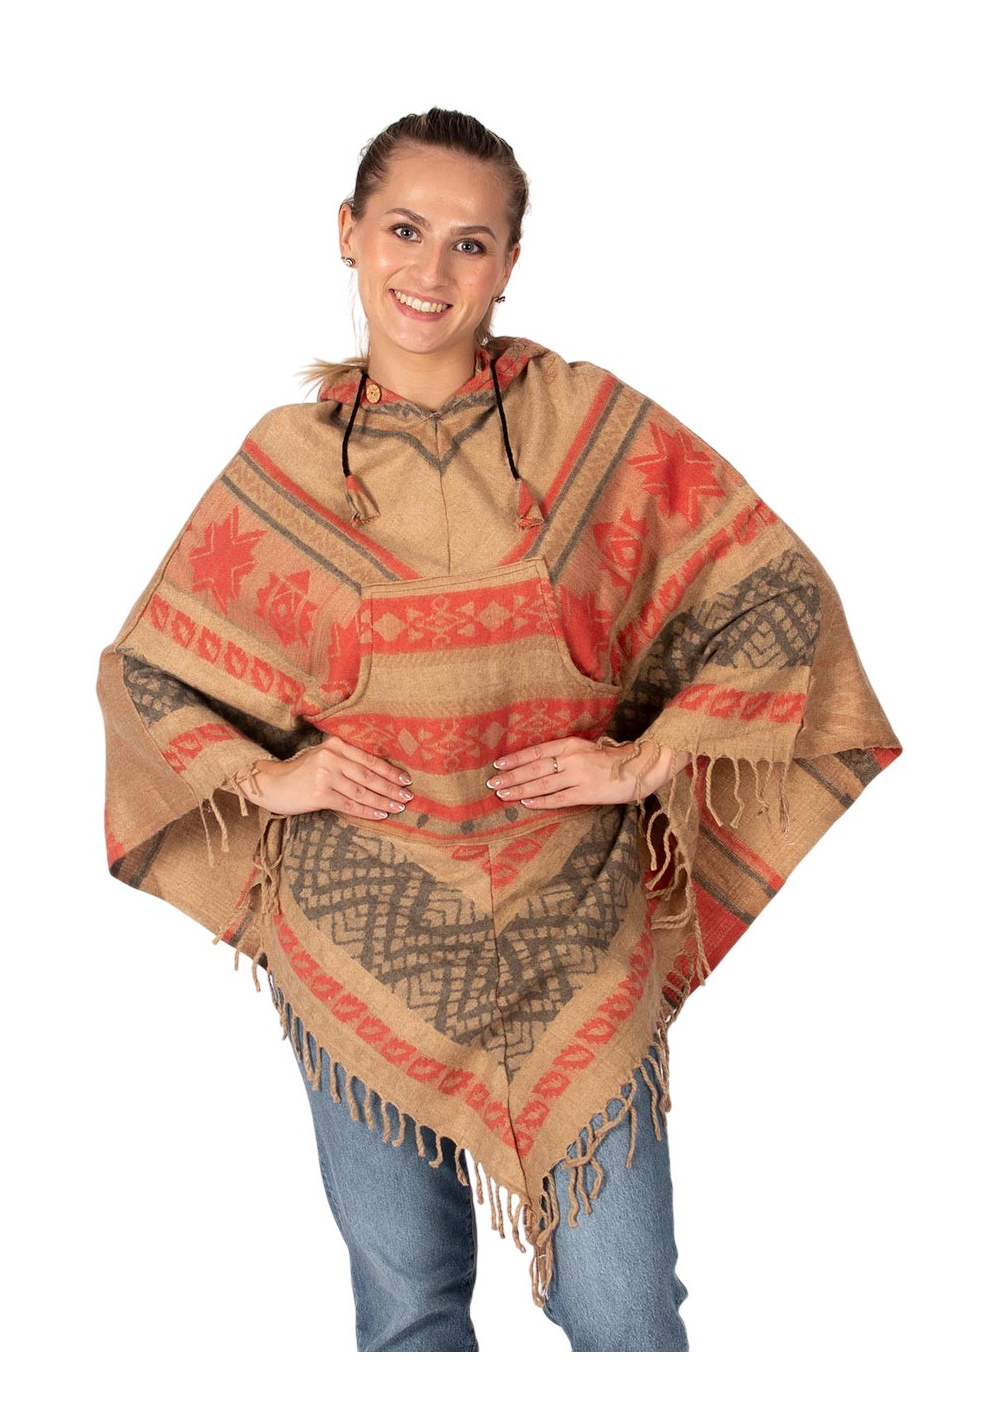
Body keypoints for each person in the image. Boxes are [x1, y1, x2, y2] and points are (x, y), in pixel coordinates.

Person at [96, 107, 902, 1353]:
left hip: (574, 927)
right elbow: (148, 673)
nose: (431, 269)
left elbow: (770, 589)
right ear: (348, 233)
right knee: (409, 1310)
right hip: (359, 935)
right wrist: (273, 778)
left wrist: (644, 760)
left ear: (509, 262)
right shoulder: (284, 462)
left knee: (624, 1312)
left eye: (469, 243)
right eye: (404, 230)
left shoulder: (585, 423)